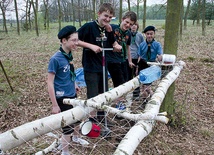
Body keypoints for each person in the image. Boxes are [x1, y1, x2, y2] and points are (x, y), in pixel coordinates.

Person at [47, 26, 89, 155]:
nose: (77, 43)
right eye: (74, 40)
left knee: (77, 118)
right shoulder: (55, 59)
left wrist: (74, 83)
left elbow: (70, 73)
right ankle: (65, 151)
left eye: (77, 40)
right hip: (62, 98)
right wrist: (55, 105)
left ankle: (76, 138)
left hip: (72, 94)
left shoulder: (68, 55)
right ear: (64, 40)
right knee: (67, 127)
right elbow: (50, 82)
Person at [77, 3, 121, 124]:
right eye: (105, 16)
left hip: (103, 67)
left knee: (104, 93)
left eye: (110, 17)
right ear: (99, 14)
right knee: (93, 95)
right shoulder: (89, 27)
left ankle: (102, 117)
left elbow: (113, 43)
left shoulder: (109, 29)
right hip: (90, 66)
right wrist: (90, 46)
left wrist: (117, 46)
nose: (107, 19)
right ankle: (92, 120)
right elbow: (75, 40)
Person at [107, 11, 137, 106]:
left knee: (125, 82)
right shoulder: (112, 28)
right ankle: (118, 104)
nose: (128, 25)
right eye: (127, 22)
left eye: (131, 24)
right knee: (119, 83)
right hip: (112, 60)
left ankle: (119, 102)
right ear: (122, 19)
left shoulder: (128, 33)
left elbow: (128, 48)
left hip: (122, 60)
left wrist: (130, 61)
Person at [136, 25, 163, 99]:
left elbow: (160, 54)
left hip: (151, 65)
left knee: (147, 85)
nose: (149, 36)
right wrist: (137, 68)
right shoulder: (142, 45)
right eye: (147, 34)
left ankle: (152, 97)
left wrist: (160, 57)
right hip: (143, 64)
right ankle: (146, 99)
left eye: (151, 34)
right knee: (143, 84)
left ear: (154, 34)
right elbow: (139, 56)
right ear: (145, 35)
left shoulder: (157, 45)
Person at [127, 21, 144, 101]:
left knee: (137, 76)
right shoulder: (127, 34)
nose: (133, 27)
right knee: (128, 76)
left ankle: (136, 94)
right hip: (128, 58)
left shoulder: (140, 35)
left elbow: (142, 46)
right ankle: (127, 93)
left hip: (137, 58)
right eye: (132, 25)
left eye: (135, 25)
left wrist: (140, 58)